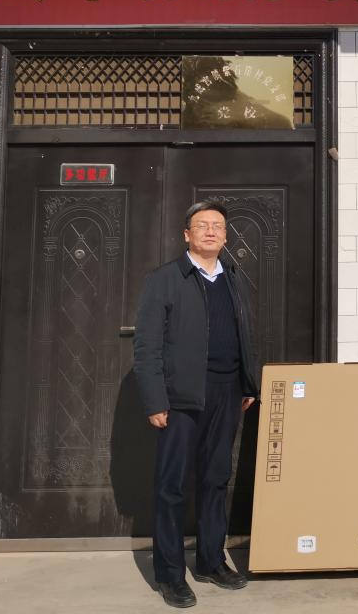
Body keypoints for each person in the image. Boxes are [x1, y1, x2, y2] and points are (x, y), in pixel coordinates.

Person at [134, 200, 260, 609]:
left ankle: (210, 561)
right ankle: (170, 575)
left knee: (215, 479)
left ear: (225, 236)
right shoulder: (165, 279)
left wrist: (247, 383)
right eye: (202, 225)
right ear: (186, 235)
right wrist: (155, 399)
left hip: (227, 393)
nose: (210, 231)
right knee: (171, 487)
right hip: (181, 398)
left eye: (217, 226)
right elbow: (147, 346)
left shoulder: (234, 278)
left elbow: (245, 334)